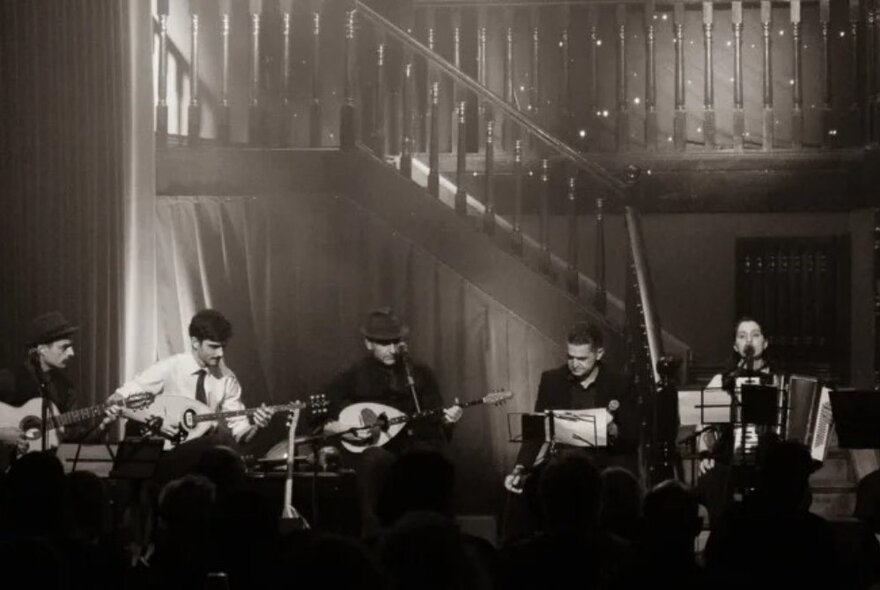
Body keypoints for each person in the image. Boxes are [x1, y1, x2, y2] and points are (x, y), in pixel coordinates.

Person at [319, 307, 462, 535]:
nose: (392, 350)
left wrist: (449, 420)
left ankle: (435, 537)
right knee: (375, 460)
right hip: (375, 448)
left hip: (414, 446)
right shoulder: (353, 374)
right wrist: (339, 427)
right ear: (368, 343)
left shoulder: (419, 373)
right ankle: (375, 537)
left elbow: (436, 421)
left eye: (396, 342)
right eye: (384, 344)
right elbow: (321, 414)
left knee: (432, 458)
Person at [504, 322, 637, 494]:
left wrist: (612, 429)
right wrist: (519, 468)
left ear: (599, 354)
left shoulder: (619, 383)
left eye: (582, 359)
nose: (574, 364)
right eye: (570, 357)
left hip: (602, 472)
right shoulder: (551, 380)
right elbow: (536, 432)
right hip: (562, 470)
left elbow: (632, 438)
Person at [106, 309, 272, 445]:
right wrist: (156, 422)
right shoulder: (170, 367)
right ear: (195, 342)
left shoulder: (227, 378)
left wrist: (258, 426)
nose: (220, 354)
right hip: (165, 452)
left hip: (202, 451)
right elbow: (115, 400)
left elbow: (241, 434)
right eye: (213, 347)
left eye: (223, 347)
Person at [696, 316, 782, 525]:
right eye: (742, 337)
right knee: (713, 480)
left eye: (755, 335)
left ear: (765, 342)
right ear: (736, 346)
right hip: (729, 458)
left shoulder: (779, 380)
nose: (749, 341)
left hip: (767, 460)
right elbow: (704, 422)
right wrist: (706, 452)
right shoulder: (721, 381)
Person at [0, 311, 79, 466]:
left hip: (47, 470)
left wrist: (103, 423)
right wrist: (1, 434)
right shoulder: (9, 378)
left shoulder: (65, 387)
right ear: (42, 349)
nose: (72, 353)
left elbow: (72, 433)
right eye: (64, 347)